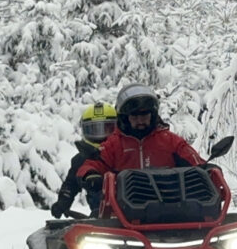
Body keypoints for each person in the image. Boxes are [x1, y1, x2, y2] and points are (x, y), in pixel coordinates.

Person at [76, 83, 204, 195]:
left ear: (152, 115)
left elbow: (194, 160)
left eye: (144, 115)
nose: (140, 121)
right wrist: (90, 174)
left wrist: (209, 170)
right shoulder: (114, 144)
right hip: (122, 210)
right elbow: (94, 163)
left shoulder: (170, 141)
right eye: (135, 116)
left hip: (170, 206)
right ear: (125, 118)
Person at [50, 102, 118, 218]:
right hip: (100, 215)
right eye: (94, 130)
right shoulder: (81, 159)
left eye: (106, 129)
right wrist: (64, 201)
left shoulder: (123, 150)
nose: (100, 135)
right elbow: (70, 184)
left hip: (129, 210)